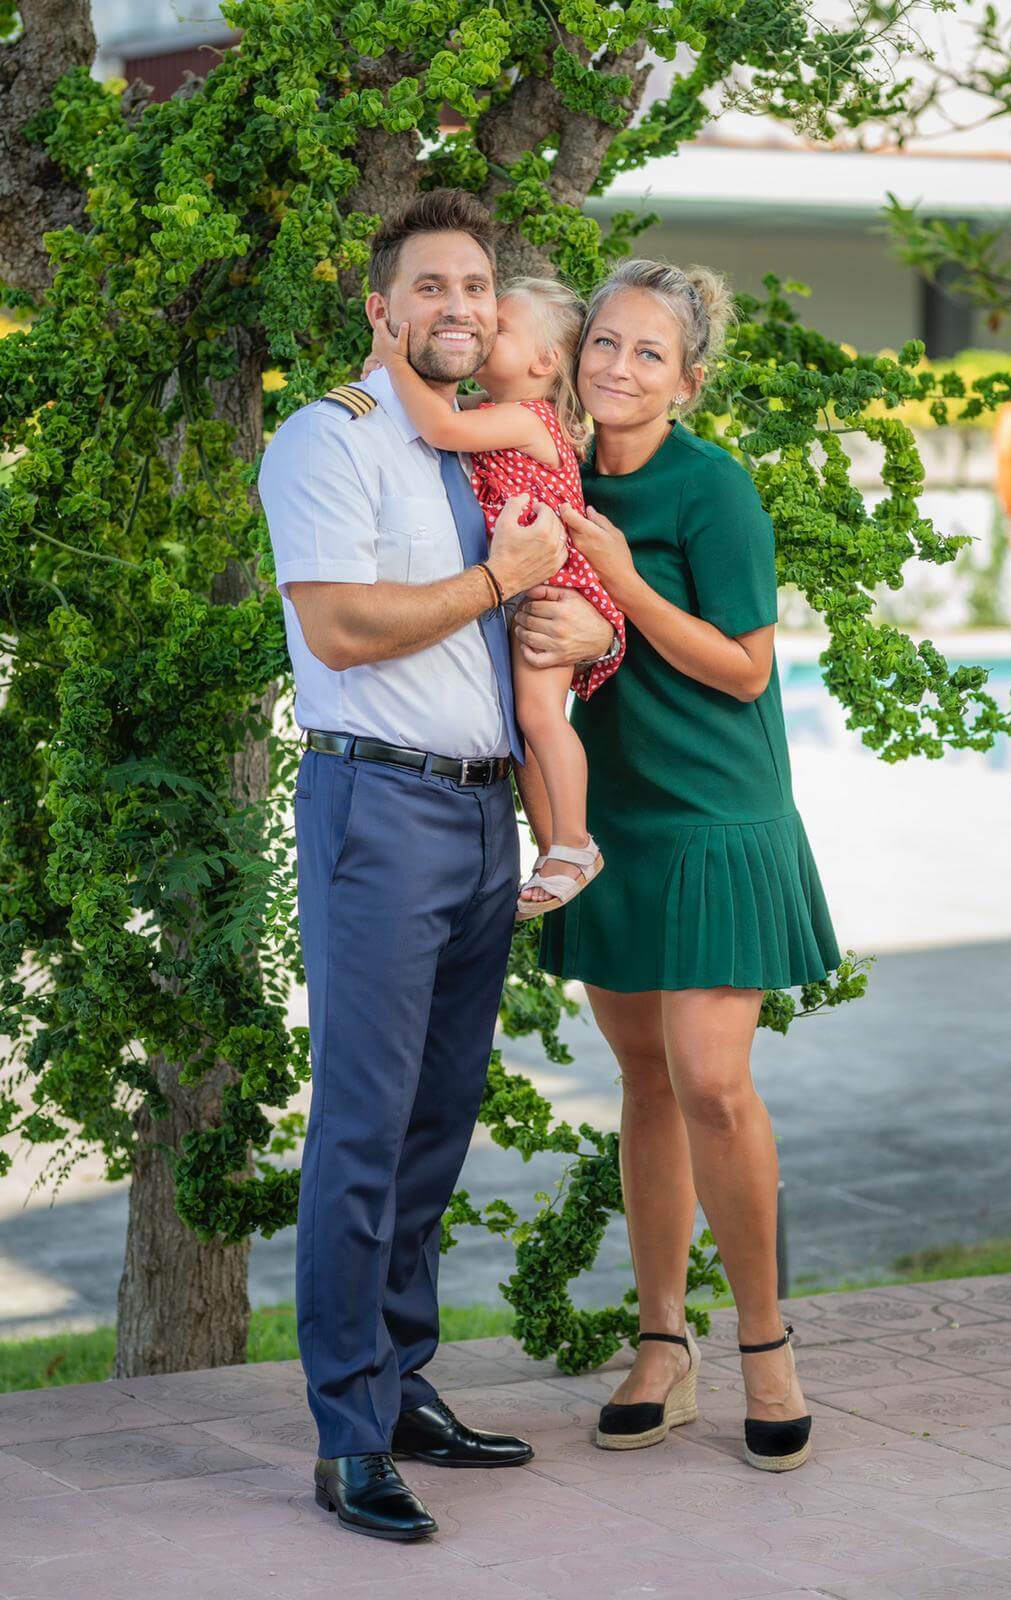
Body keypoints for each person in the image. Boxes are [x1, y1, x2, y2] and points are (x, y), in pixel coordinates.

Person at [257, 188, 617, 1542]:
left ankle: (400, 1383)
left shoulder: (471, 456)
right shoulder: (331, 442)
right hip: (378, 814)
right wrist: (497, 579)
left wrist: (584, 630)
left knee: (431, 1123)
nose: (459, 308)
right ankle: (347, 1438)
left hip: (479, 819)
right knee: (360, 1130)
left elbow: (546, 616)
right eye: (431, 288)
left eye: (476, 287)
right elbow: (345, 629)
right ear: (380, 309)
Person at [533, 258, 843, 1471]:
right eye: (603, 343)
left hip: (716, 812)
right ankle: (663, 1346)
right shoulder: (544, 474)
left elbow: (748, 666)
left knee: (711, 1079)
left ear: (689, 380)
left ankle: (765, 1344)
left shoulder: (712, 489)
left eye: (646, 354)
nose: (615, 368)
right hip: (615, 815)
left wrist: (620, 591)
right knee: (647, 1084)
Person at [369, 277, 626, 922]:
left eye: (501, 327)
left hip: (553, 589)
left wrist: (396, 358)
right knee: (524, 728)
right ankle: (553, 844)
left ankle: (575, 842)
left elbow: (434, 426)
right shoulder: (491, 407)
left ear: (543, 363)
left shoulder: (528, 417)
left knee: (541, 720)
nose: (484, 330)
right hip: (526, 585)